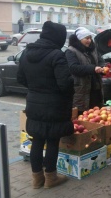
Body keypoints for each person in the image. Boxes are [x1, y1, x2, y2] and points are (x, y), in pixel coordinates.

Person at [17, 21, 74, 189]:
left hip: (34, 104)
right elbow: (65, 84)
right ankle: (51, 178)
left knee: (37, 140)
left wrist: (36, 90)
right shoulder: (57, 55)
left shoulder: (27, 52)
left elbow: (21, 78)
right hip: (54, 106)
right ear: (58, 37)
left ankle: (37, 179)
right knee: (52, 141)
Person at [65, 27, 105, 113]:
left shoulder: (93, 49)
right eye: (86, 38)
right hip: (81, 90)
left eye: (90, 38)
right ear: (79, 39)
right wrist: (93, 68)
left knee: (96, 114)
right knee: (82, 117)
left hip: (96, 89)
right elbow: (73, 68)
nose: (89, 40)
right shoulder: (71, 51)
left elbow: (100, 60)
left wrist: (103, 67)